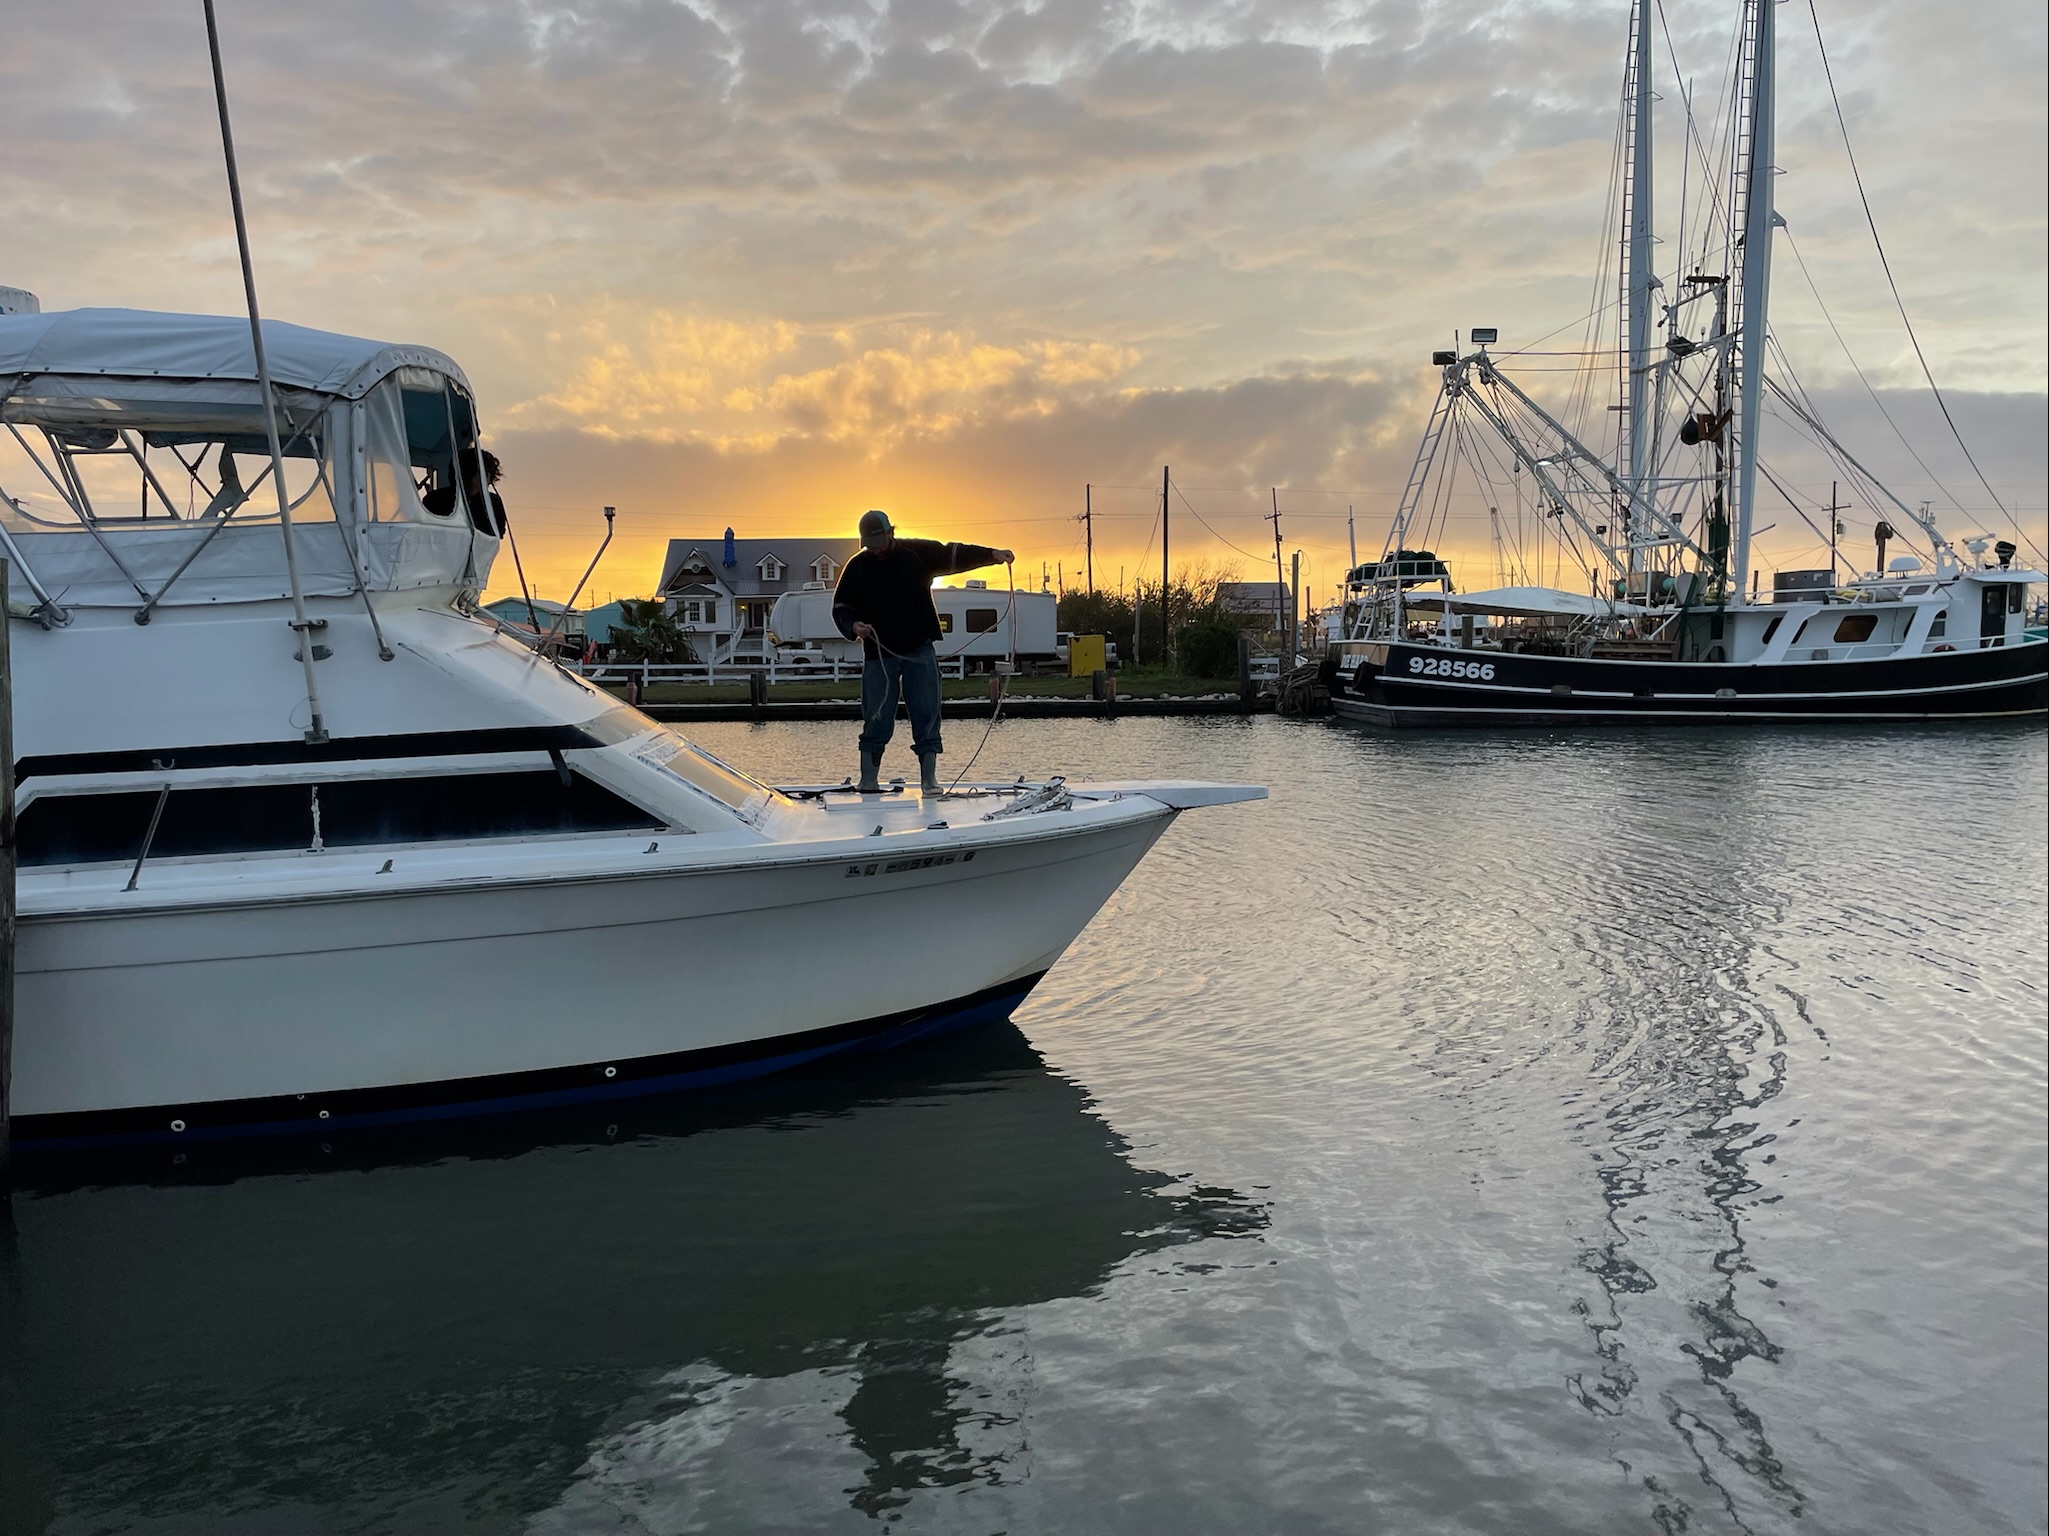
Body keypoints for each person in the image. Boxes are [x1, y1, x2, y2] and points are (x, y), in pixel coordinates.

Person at [831, 509, 1013, 793]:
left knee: (927, 713)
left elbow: (953, 554)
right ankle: (868, 780)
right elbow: (841, 606)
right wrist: (853, 625)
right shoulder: (857, 566)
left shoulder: (916, 553)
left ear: (890, 533)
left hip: (919, 648)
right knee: (876, 715)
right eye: (869, 545)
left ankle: (929, 781)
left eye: (878, 543)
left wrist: (992, 555)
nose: (875, 549)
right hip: (878, 654)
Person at [423, 447, 507, 536]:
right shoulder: (435, 499)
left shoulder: (493, 502)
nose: (487, 475)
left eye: (489, 471)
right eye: (482, 470)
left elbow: (498, 532)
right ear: (468, 470)